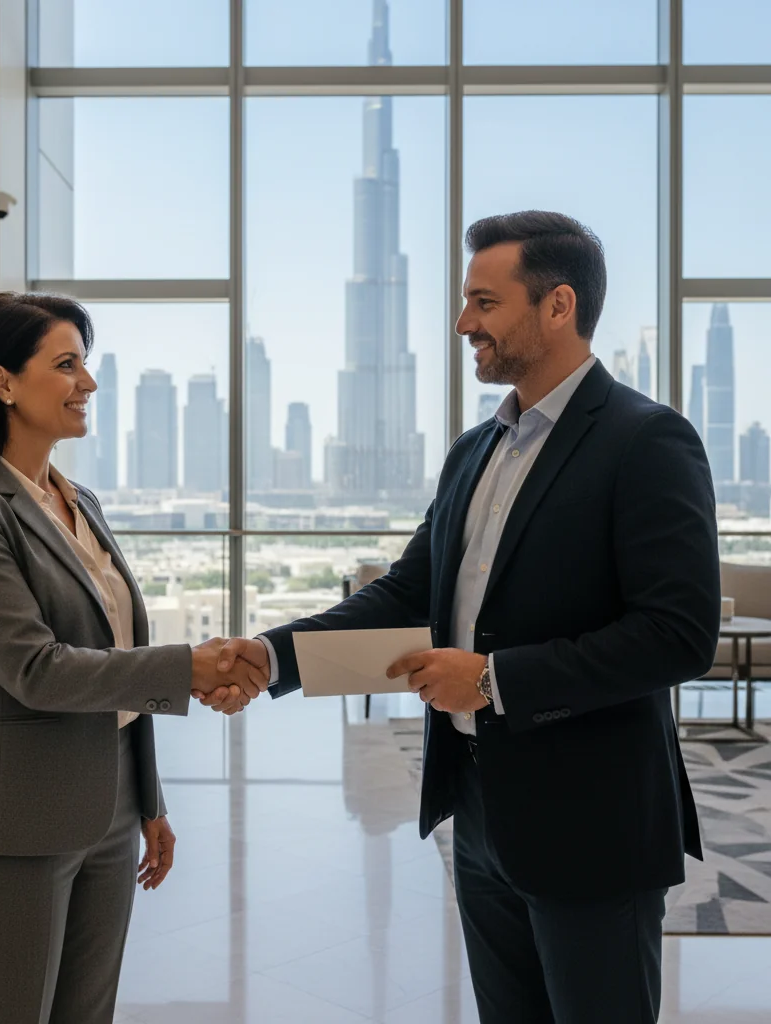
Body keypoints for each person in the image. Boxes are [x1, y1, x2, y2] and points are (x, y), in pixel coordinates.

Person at [204, 212, 721, 1024]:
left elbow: (678, 634)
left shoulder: (646, 439)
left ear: (558, 306)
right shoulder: (474, 450)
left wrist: (491, 680)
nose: (461, 324)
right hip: (480, 813)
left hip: (593, 822)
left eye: (484, 302)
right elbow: (409, 593)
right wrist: (271, 657)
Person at [0, 291, 262, 1024]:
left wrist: (148, 801)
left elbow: (116, 653)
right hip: (15, 820)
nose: (89, 382)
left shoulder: (82, 501)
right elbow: (36, 669)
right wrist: (189, 667)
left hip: (109, 809)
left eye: (86, 363)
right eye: (67, 364)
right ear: (3, 382)